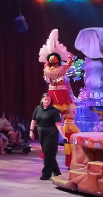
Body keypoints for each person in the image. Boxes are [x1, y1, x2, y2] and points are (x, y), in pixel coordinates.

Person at [38, 29, 79, 168]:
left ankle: (47, 156)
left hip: (51, 95)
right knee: (68, 121)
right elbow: (68, 64)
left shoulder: (47, 70)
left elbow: (46, 68)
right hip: (61, 95)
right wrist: (70, 57)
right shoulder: (61, 69)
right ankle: (70, 158)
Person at [30, 94, 66, 180]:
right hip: (41, 132)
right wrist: (31, 131)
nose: (47, 101)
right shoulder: (37, 108)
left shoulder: (54, 110)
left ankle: (46, 174)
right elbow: (34, 120)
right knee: (49, 154)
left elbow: (58, 124)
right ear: (42, 100)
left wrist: (63, 135)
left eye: (49, 100)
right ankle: (57, 173)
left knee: (47, 154)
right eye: (45, 99)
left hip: (52, 133)